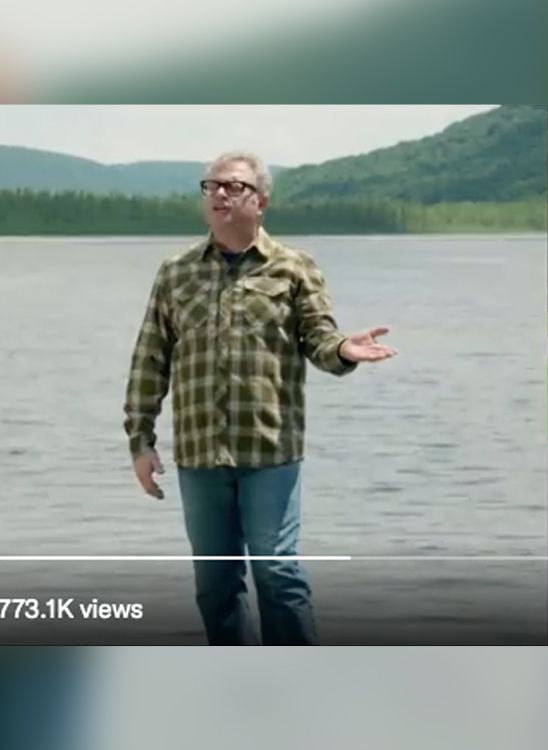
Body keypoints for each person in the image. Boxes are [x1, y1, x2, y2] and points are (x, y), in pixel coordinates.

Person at [123, 151, 396, 645]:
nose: (220, 194)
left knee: (277, 574)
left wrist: (345, 350)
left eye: (234, 186)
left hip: (270, 451)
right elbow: (150, 359)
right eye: (211, 186)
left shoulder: (294, 268)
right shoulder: (176, 272)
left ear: (261, 200)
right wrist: (140, 442)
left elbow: (319, 340)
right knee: (215, 586)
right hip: (200, 453)